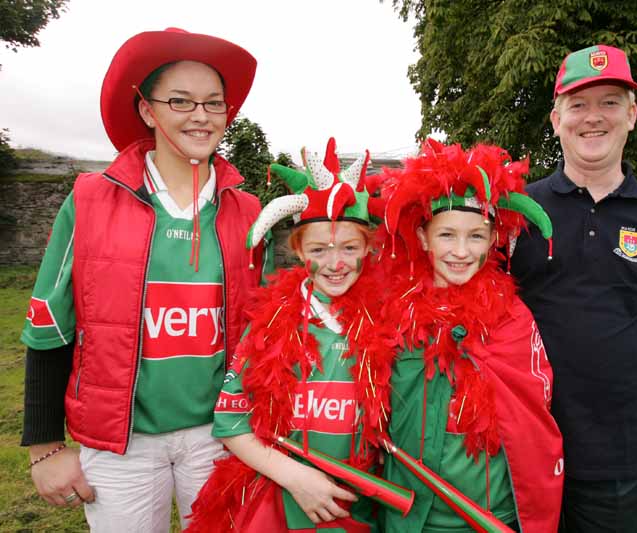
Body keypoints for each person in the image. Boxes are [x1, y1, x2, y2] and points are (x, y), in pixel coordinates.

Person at [20, 28, 263, 531]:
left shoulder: (249, 208)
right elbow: (49, 324)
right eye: (181, 101)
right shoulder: (89, 199)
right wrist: (45, 447)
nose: (201, 116)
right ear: (148, 112)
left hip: (221, 436)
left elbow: (263, 328)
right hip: (120, 444)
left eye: (214, 103)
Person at [511, 44, 637, 531]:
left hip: (614, 463)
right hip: (513, 453)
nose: (592, 118)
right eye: (578, 105)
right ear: (556, 119)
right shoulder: (511, 214)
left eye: (610, 102)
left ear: (632, 114)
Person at [187, 139, 396, 533]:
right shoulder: (272, 319)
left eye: (350, 247)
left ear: (369, 248)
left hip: (356, 507)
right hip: (280, 505)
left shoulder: (386, 319)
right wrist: (297, 478)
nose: (335, 263)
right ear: (298, 251)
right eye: (319, 248)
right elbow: (231, 425)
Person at [377, 139, 564, 532]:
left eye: (476, 236)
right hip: (412, 518)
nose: (461, 251)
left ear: (494, 240)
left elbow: (533, 416)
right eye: (447, 235)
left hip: (492, 517)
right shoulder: (395, 314)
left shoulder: (513, 319)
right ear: (424, 238)